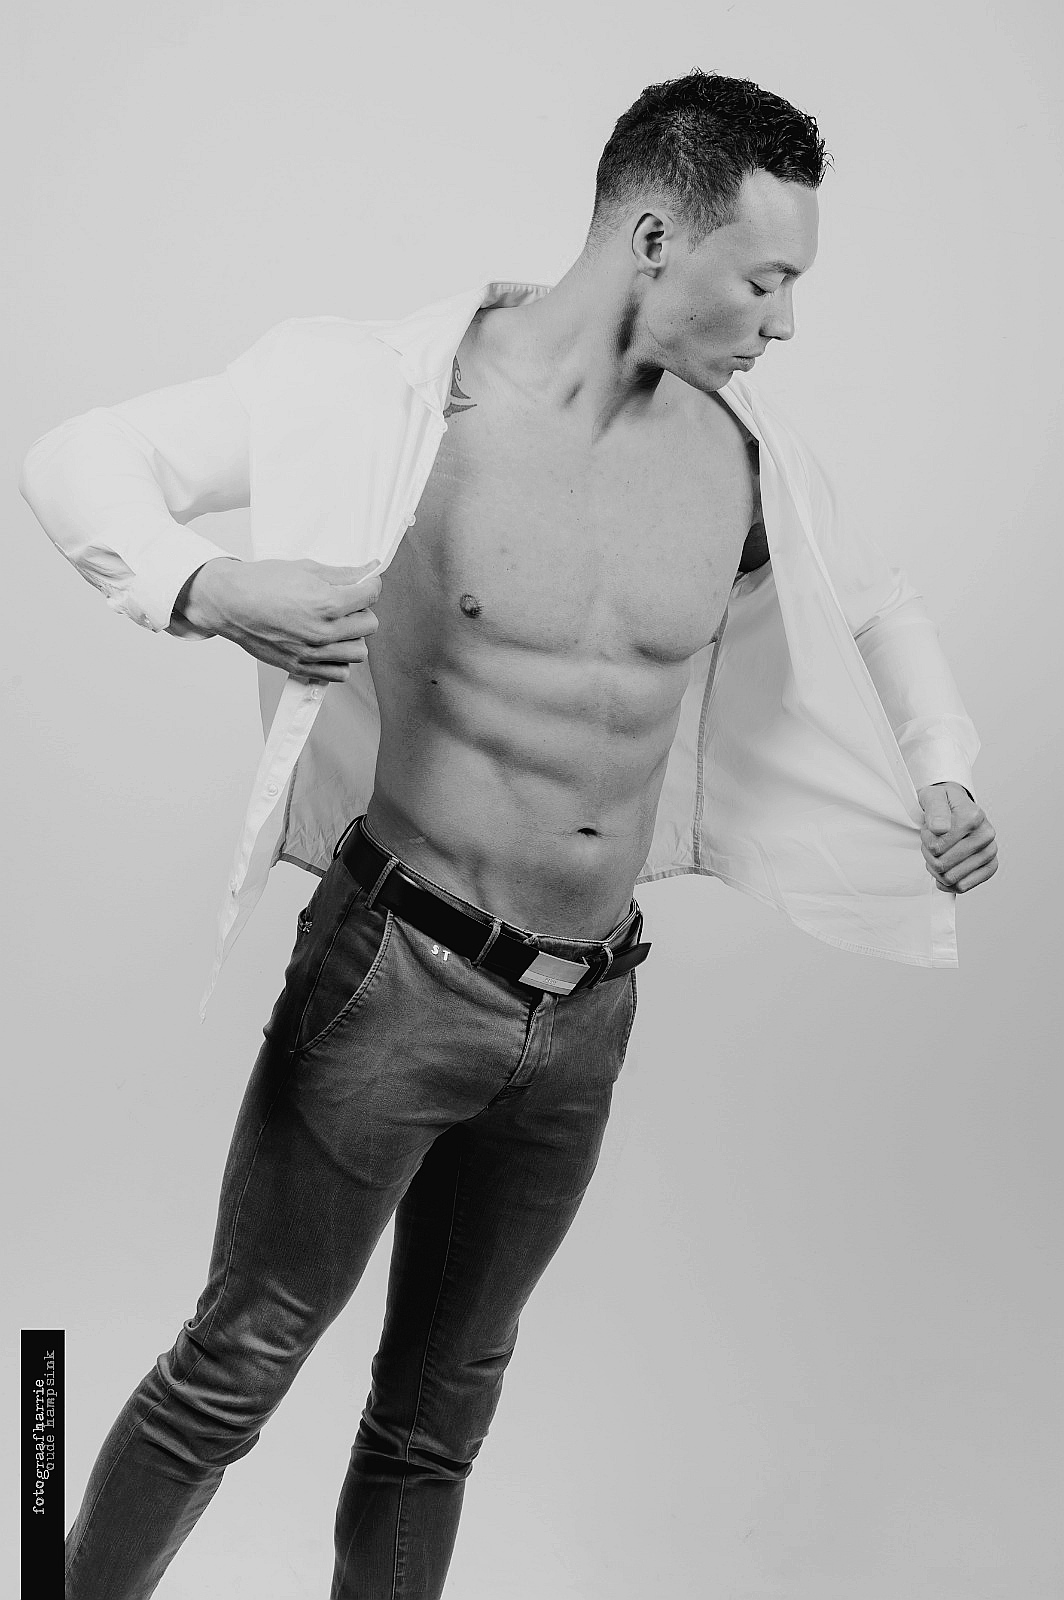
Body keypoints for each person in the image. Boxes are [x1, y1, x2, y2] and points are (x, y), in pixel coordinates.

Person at [20, 69, 997, 1600]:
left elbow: (876, 600)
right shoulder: (398, 401)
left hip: (588, 1009)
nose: (788, 321)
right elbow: (77, 455)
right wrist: (205, 587)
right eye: (766, 278)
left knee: (440, 1418)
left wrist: (939, 765)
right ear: (656, 237)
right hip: (393, 977)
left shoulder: (741, 458)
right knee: (237, 1364)